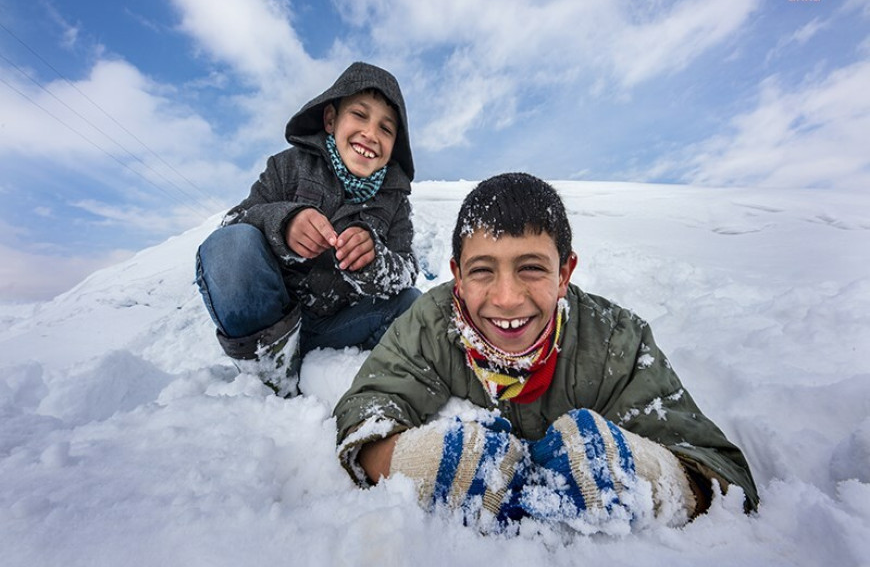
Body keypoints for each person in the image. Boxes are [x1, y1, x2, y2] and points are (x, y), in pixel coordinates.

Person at [333, 172, 758, 533]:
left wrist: (640, 472)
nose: (507, 298)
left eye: (532, 268)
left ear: (564, 274)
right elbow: (366, 412)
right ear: (457, 277)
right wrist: (423, 462)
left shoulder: (617, 341)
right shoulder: (431, 323)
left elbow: (725, 480)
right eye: (482, 270)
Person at [196, 62, 420, 397]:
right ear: (330, 120)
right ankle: (274, 377)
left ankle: (368, 377)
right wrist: (284, 223)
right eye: (359, 115)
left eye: (386, 129)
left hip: (338, 328)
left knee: (413, 305)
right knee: (230, 247)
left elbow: (407, 271)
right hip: (272, 319)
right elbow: (232, 225)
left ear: (393, 148)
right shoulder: (287, 166)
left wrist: (375, 260)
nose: (371, 134)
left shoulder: (396, 203)